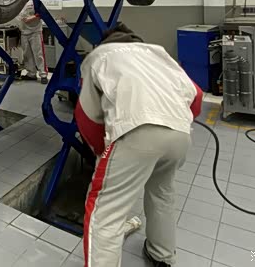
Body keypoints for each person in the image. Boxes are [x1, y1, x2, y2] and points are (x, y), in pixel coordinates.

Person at [74, 24, 203, 267]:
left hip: (136, 132)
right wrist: (174, 123)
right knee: (162, 193)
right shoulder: (159, 54)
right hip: (179, 135)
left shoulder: (99, 57)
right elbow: (196, 97)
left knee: (105, 211)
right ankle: (161, 255)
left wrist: (102, 151)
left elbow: (87, 117)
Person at [16, 0, 48, 84]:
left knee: (38, 54)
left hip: (35, 31)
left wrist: (33, 17)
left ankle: (43, 74)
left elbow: (43, 12)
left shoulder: (34, 1)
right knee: (27, 54)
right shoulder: (18, 2)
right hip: (23, 32)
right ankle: (31, 74)